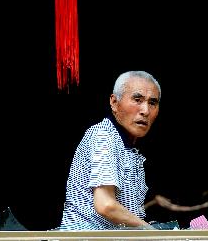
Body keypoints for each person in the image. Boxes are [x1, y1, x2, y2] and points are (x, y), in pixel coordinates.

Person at [59, 71, 161, 230]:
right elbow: (106, 205)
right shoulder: (104, 135)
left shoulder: (126, 146)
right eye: (137, 99)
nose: (145, 110)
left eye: (152, 103)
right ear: (114, 102)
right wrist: (154, 233)